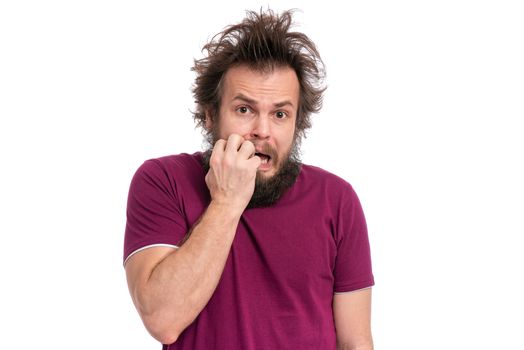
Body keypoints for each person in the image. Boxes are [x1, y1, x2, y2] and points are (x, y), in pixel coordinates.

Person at [123, 9, 374, 350]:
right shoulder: (162, 181)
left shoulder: (338, 199)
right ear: (210, 115)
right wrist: (227, 201)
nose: (262, 130)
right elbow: (162, 320)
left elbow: (356, 342)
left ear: (297, 124)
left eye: (280, 114)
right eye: (244, 110)